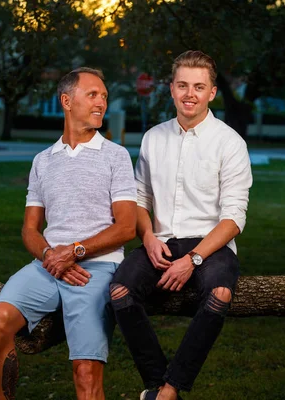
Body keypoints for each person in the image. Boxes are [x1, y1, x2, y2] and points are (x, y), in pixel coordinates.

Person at [0, 67, 137, 400]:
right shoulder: (43, 160)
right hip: (48, 266)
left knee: (85, 372)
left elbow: (127, 227)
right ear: (67, 101)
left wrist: (75, 252)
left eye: (104, 97)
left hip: (95, 270)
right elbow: (29, 229)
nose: (101, 103)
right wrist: (51, 255)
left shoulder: (116, 156)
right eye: (92, 94)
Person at [110, 50, 253, 400]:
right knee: (119, 291)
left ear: (212, 93)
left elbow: (234, 218)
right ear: (171, 89)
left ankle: (170, 390)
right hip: (158, 240)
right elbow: (140, 199)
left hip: (211, 244)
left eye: (199, 87)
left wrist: (192, 260)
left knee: (219, 294)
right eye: (183, 85)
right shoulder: (152, 138)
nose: (190, 94)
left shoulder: (230, 143)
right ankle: (158, 381)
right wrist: (146, 236)